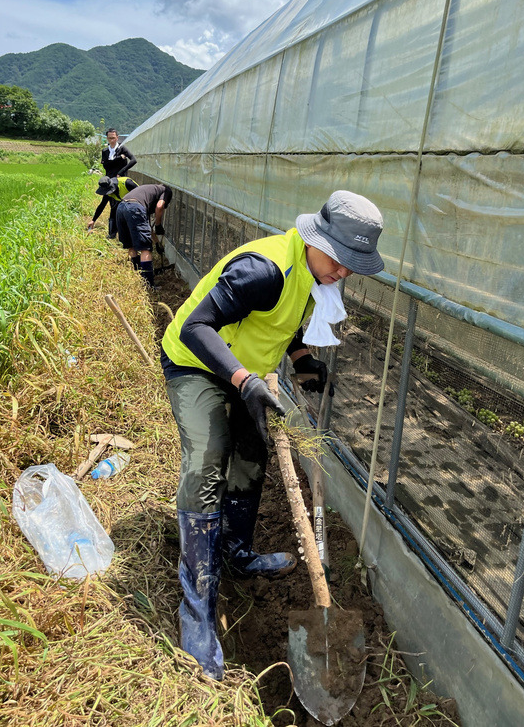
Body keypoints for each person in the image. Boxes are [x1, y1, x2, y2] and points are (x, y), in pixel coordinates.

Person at [160, 189, 384, 680]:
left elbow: (289, 325)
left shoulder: (316, 274)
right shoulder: (263, 271)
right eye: (341, 260)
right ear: (313, 238)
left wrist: (303, 362)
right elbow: (197, 326)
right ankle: (197, 611)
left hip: (248, 371)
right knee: (207, 461)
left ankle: (237, 555)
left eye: (354, 265)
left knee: (251, 455)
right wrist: (243, 381)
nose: (344, 272)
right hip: (195, 363)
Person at [115, 182, 172, 287]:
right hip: (134, 208)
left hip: (121, 207)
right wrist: (158, 225)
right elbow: (159, 207)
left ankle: (138, 276)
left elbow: (147, 228)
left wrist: (157, 243)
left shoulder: (148, 192)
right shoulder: (166, 190)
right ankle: (148, 285)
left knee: (132, 246)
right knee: (145, 248)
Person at [101, 129, 137, 238]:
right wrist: (118, 159)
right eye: (109, 138)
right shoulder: (105, 151)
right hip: (109, 181)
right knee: (112, 205)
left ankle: (122, 232)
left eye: (113, 138)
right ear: (107, 138)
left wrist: (121, 171)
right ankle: (112, 233)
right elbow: (106, 166)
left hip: (120, 181)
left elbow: (133, 160)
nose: (111, 140)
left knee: (121, 205)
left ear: (117, 137)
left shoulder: (122, 149)